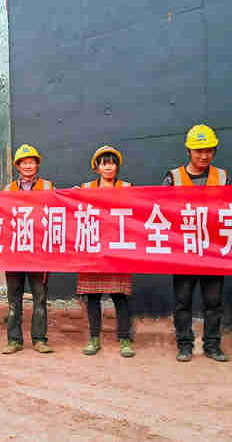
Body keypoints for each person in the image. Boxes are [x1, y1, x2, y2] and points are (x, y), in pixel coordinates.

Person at [162, 124, 229, 362]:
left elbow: (230, 208)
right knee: (183, 301)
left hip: (213, 250)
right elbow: (162, 209)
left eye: (209, 151)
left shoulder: (222, 176)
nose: (204, 156)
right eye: (199, 151)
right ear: (188, 151)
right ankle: (184, 345)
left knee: (213, 302)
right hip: (184, 250)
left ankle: (212, 345)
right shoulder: (173, 177)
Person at [78, 145, 135, 358]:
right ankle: (94, 338)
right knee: (92, 297)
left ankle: (124, 339)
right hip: (93, 249)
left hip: (118, 250)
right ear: (97, 167)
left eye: (112, 163)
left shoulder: (128, 187)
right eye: (104, 164)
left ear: (117, 166)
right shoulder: (85, 188)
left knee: (120, 297)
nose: (109, 167)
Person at [2, 143, 54, 354]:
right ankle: (14, 340)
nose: (28, 166)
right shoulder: (8, 190)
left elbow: (59, 211)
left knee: (39, 298)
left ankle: (39, 339)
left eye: (31, 162)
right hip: (15, 252)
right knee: (13, 298)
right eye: (24, 162)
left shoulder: (49, 187)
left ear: (37, 164)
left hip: (39, 253)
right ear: (18, 166)